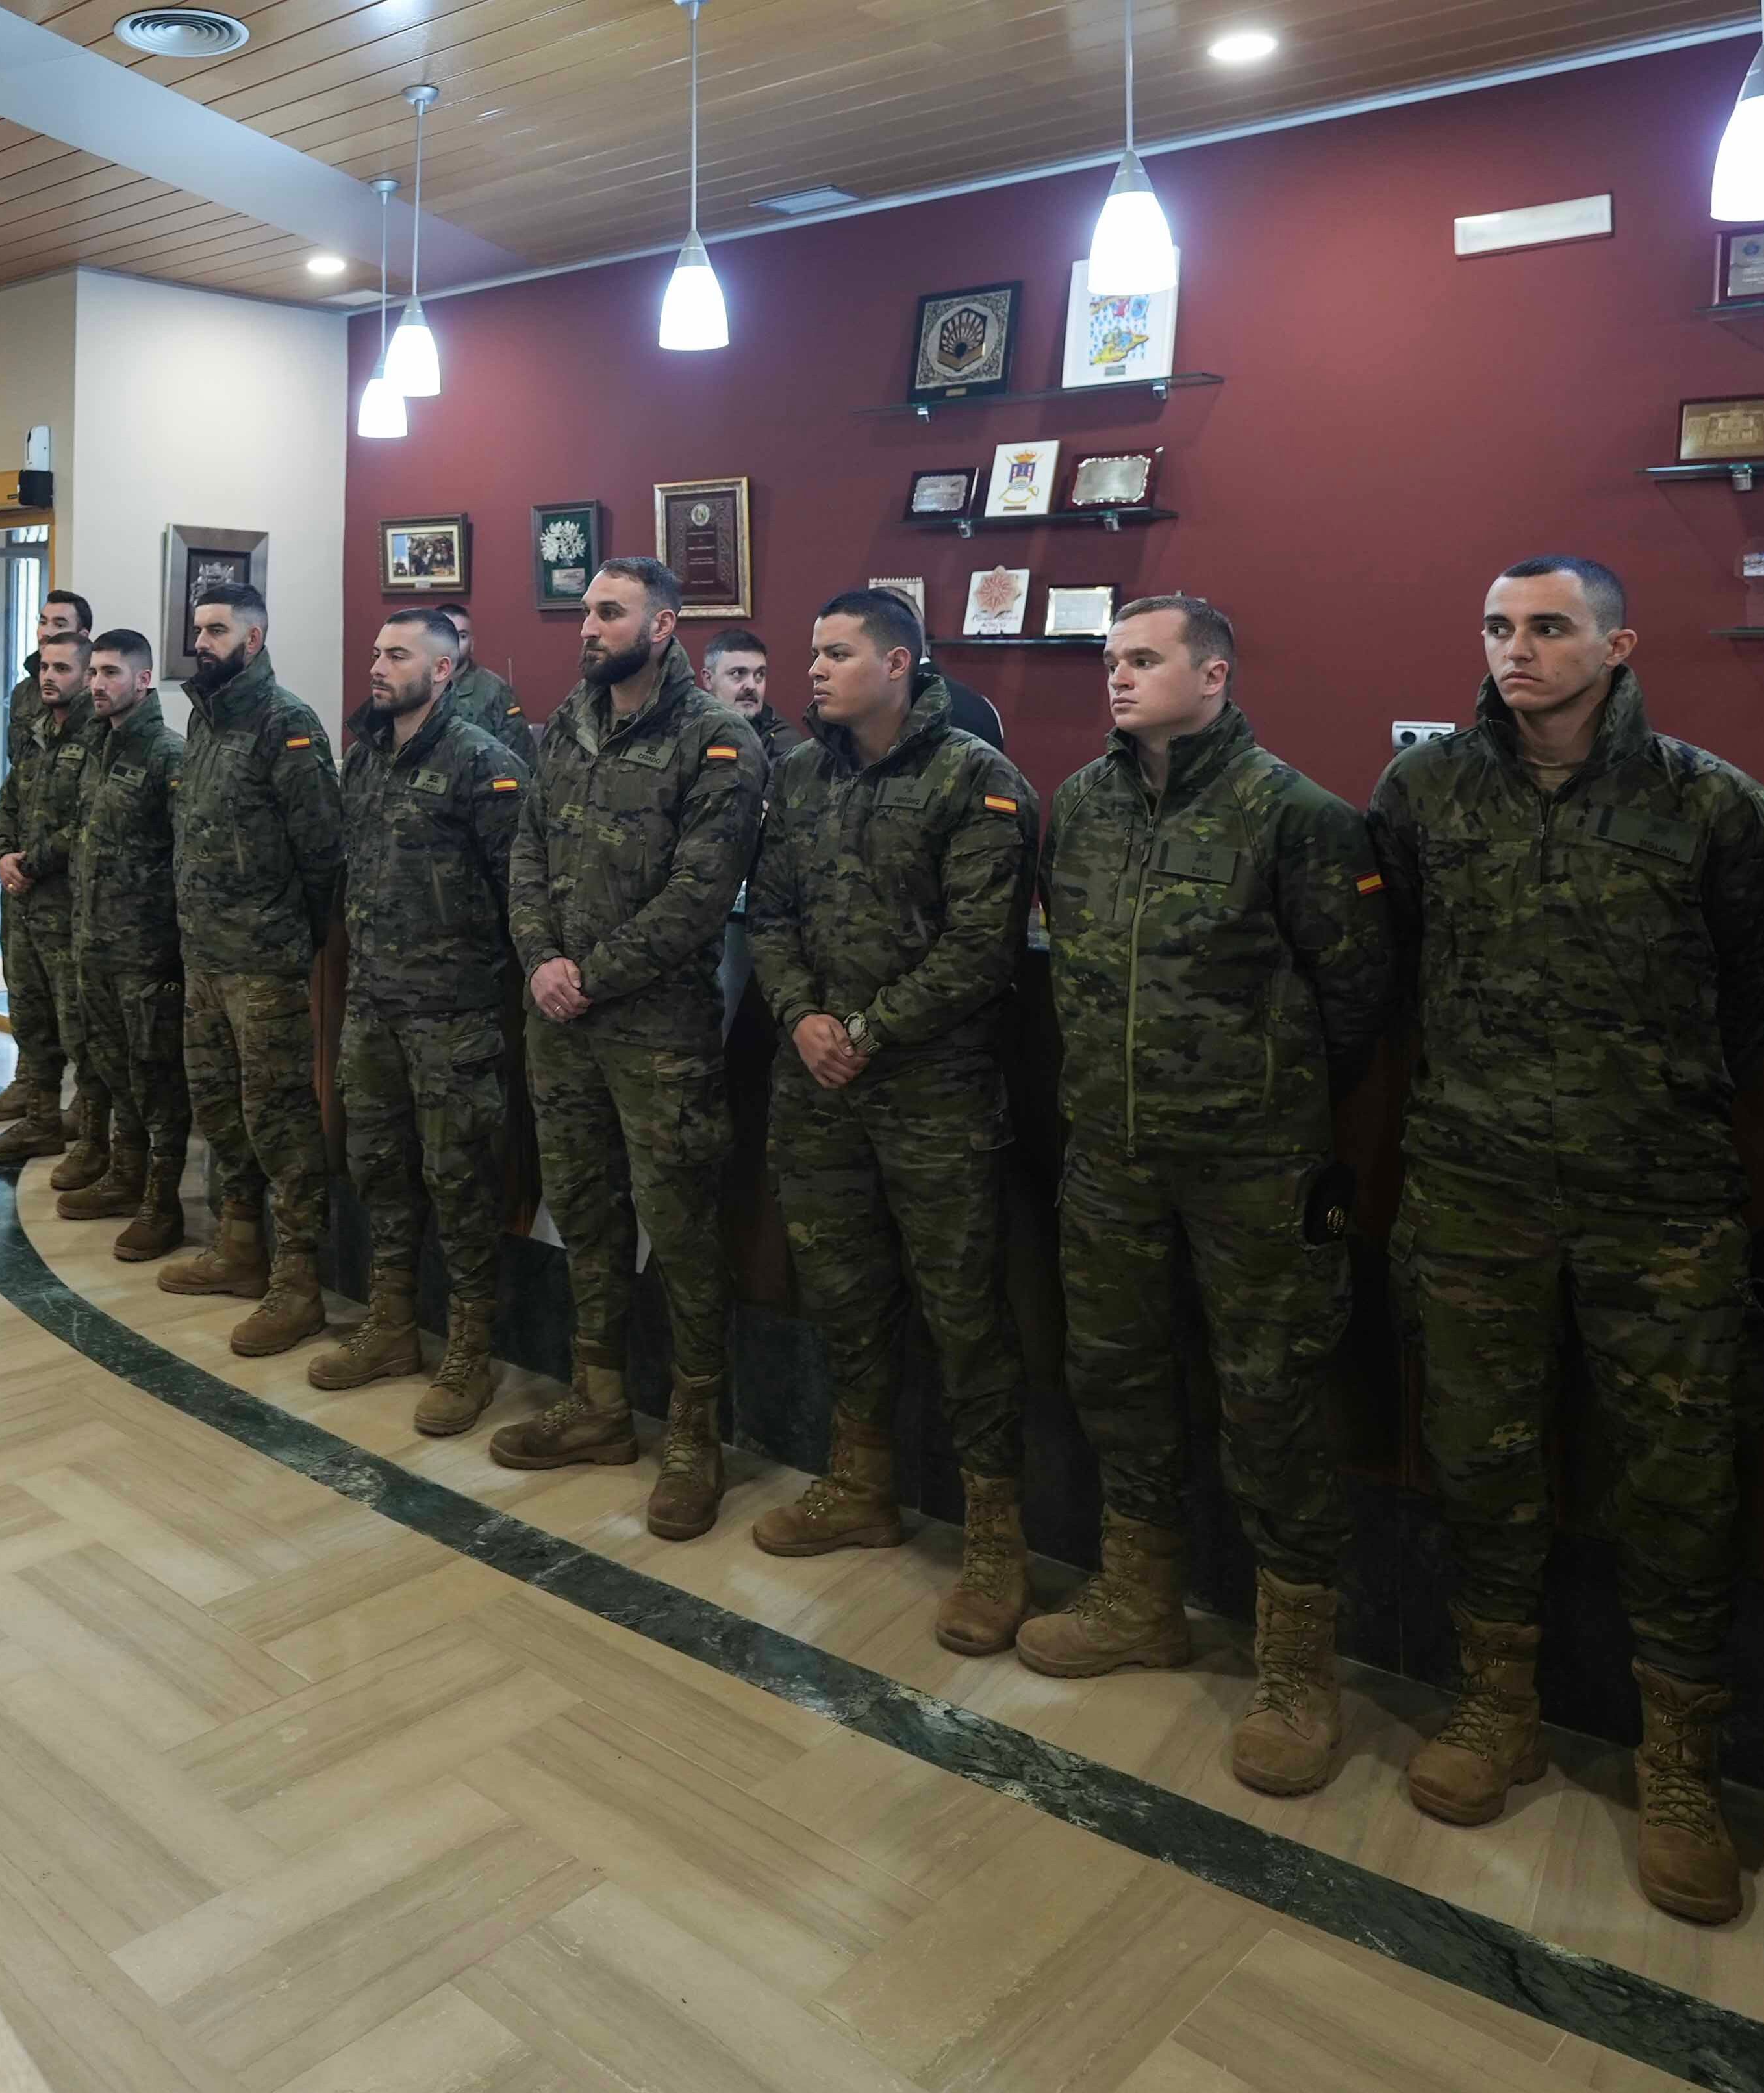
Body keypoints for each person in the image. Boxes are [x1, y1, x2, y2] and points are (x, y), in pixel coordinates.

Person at [1368, 556, 1764, 1924]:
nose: (1515, 651)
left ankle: (1677, 1768)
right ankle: (1495, 1705)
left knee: (1679, 1483)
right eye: (1495, 627)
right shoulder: (1424, 792)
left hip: (1656, 1206)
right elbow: (1401, 959)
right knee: (1482, 1458)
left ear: (1615, 644)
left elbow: (1750, 990)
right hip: (1474, 1188)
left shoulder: (1706, 802)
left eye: (1547, 628)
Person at [1022, 595, 1392, 1796]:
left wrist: (1261, 1099)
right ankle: (1139, 1594)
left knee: (1271, 1397)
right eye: (1108, 660)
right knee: (1116, 1373)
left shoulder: (1298, 818)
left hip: (1252, 1167)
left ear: (1214, 674)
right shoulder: (1076, 805)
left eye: (1142, 659)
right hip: (1109, 1157)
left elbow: (1354, 1000)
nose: (1116, 679)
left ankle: (1295, 1662)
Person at [746, 588, 1040, 1653]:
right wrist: (801, 1016)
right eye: (809, 650)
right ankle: (858, 1482)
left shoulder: (975, 779)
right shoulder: (794, 774)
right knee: (842, 1292)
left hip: (932, 1096)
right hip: (818, 1089)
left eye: (834, 652)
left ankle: (995, 1533)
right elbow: (767, 913)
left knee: (963, 1313)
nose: (812, 670)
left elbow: (979, 947)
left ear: (900, 661)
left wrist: (862, 1026)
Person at [500, 558, 764, 1535]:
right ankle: (598, 1400)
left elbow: (699, 898)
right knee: (584, 1212)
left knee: (682, 1230)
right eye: (583, 610)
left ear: (663, 624)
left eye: (608, 612)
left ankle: (696, 1434)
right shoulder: (563, 725)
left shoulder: (718, 739)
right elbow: (525, 848)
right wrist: (539, 960)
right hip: (558, 1018)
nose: (587, 627)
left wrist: (588, 974)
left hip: (655, 1033)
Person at [317, 607, 531, 1431]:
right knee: (379, 1168)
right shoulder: (365, 757)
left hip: (455, 1015)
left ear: (442, 671)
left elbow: (523, 892)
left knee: (462, 1182)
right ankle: (391, 1324)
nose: (377, 665)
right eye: (375, 651)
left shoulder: (486, 764)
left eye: (397, 654)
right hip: (373, 1006)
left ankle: (470, 1351)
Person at [157, 582, 343, 1356]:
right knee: (218, 1109)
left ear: (255, 638)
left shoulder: (286, 723)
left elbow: (323, 851)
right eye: (197, 629)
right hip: (203, 957)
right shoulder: (203, 719)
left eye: (218, 630)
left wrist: (285, 934)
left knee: (280, 1120)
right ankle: (239, 1247)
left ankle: (298, 1284)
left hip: (263, 962)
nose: (202, 642)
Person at [57, 629, 190, 1257]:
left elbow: (186, 859)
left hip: (146, 951)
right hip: (95, 945)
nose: (97, 684)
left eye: (111, 673)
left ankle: (162, 1204)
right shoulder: (95, 749)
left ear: (143, 680)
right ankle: (124, 1176)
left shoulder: (170, 756)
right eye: (95, 673)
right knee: (108, 1067)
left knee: (157, 1077)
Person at [0, 628, 107, 1168]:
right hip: (23, 903)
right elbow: (7, 801)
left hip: (69, 906)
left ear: (85, 675)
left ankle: (94, 1137)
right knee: (29, 1016)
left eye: (62, 669)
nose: (49, 678)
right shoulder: (36, 732)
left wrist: (30, 863)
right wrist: (2, 854)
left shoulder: (100, 736)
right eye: (44, 669)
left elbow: (90, 821)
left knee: (77, 1025)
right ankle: (40, 1119)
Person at [438, 601, 533, 763]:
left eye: (462, 636)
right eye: (446, 634)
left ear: (472, 643)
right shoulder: (416, 685)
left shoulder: (495, 691)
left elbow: (519, 758)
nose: (453, 643)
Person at [703, 627, 798, 775]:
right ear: (708, 679)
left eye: (760, 675)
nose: (752, 686)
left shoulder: (784, 743)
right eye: (738, 673)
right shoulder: (683, 728)